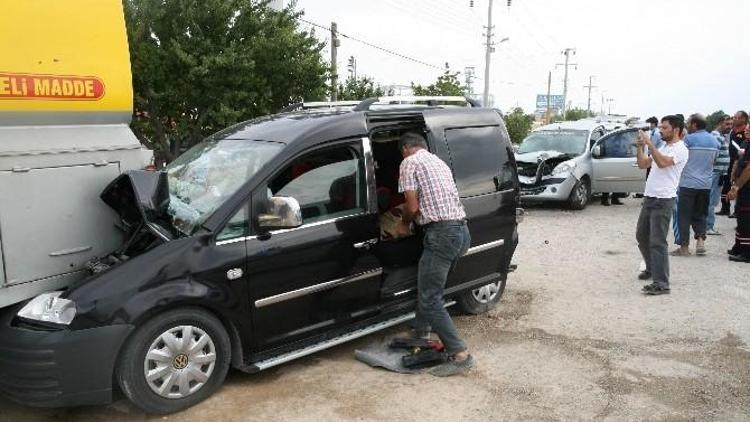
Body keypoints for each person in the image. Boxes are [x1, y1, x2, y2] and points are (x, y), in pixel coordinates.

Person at [397, 131, 473, 376]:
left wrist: (403, 224)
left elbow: (412, 206)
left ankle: (460, 355)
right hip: (461, 231)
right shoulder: (437, 161)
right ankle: (421, 334)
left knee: (431, 298)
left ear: (406, 148)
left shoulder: (409, 162)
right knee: (428, 286)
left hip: (441, 234)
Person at [634, 116, 689, 295]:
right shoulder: (664, 146)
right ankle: (651, 269)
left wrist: (650, 144)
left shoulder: (681, 149)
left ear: (676, 130)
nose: (661, 131)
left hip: (663, 199)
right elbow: (643, 164)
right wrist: (640, 146)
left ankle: (661, 283)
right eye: (661, 128)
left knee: (657, 241)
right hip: (650, 197)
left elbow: (663, 163)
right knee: (642, 236)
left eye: (665, 128)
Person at [671, 114, 720, 256]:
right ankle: (700, 242)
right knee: (701, 214)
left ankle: (684, 248)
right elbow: (714, 162)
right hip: (705, 184)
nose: (686, 125)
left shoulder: (688, 140)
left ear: (694, 124)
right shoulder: (714, 141)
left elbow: (680, 159)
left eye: (688, 123)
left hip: (687, 184)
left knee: (683, 216)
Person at [726, 123, 750, 263]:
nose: (747, 131)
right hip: (743, 188)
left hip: (747, 189)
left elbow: (748, 170)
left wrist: (736, 187)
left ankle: (747, 253)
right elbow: (739, 161)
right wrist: (734, 178)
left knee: (747, 219)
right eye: (746, 129)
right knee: (741, 217)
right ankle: (739, 247)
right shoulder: (746, 143)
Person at [718, 111, 749, 217]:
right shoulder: (733, 131)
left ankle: (737, 210)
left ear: (743, 119)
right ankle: (725, 208)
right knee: (727, 184)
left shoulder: (746, 131)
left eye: (736, 117)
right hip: (731, 161)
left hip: (742, 162)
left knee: (739, 185)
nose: (734, 119)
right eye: (734, 117)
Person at [707, 115, 732, 235]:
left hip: (719, 173)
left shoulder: (721, 136)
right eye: (727, 124)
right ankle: (708, 226)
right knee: (711, 201)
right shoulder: (716, 136)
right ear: (720, 123)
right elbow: (713, 154)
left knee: (713, 200)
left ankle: (708, 225)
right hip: (716, 173)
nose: (729, 127)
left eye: (730, 124)